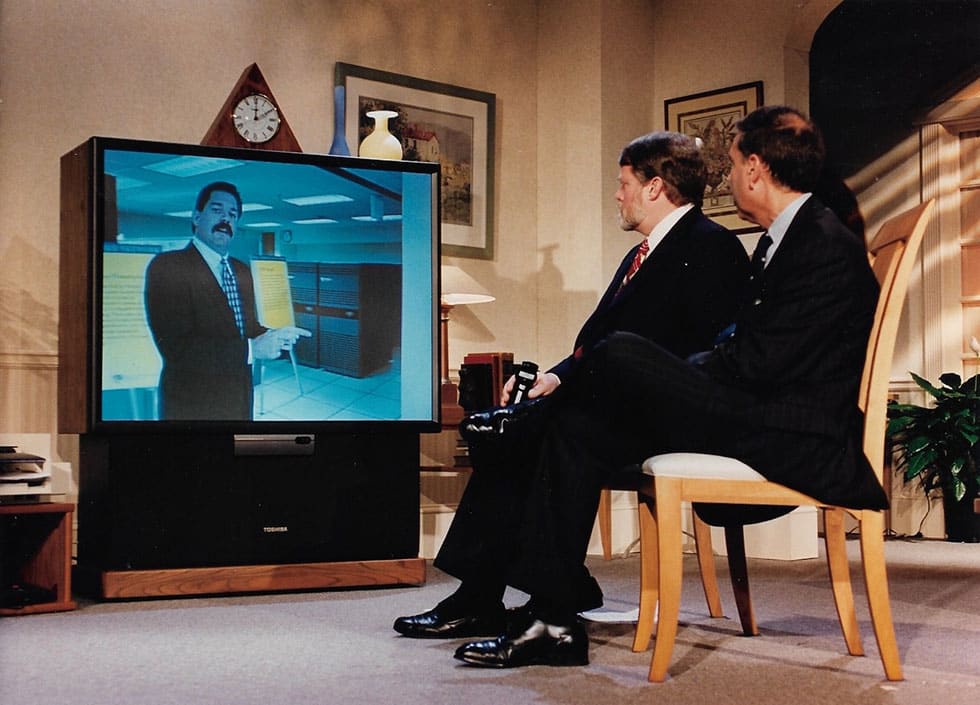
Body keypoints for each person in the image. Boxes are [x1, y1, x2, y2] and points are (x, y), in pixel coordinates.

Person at [393, 106, 889, 671]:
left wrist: (658, 375)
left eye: (732, 166)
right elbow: (750, 350)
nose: (726, 179)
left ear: (755, 169)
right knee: (573, 423)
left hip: (788, 428)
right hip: (751, 404)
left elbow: (759, 361)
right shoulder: (787, 239)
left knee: (614, 358)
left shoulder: (814, 242)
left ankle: (528, 587)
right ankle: (550, 615)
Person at [393, 131, 750, 654]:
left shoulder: (712, 247)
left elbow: (683, 356)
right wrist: (556, 378)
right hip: (630, 406)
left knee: (558, 428)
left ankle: (552, 614)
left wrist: (575, 392)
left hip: (673, 416)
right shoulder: (643, 253)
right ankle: (481, 595)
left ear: (654, 187)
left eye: (624, 184)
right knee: (512, 429)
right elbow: (602, 342)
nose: (617, 195)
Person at [145, 181, 309, 420]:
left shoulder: (241, 270)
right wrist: (253, 349)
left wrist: (274, 335)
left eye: (233, 214)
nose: (225, 219)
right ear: (197, 217)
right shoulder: (169, 267)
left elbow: (246, 326)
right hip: (193, 405)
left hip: (239, 396)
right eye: (217, 210)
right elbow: (177, 348)